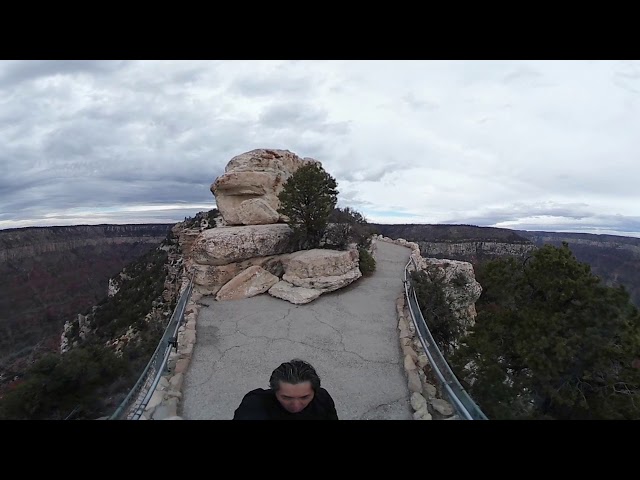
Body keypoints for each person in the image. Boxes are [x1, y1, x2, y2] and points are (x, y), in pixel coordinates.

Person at [232, 359, 339, 420]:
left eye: (304, 397)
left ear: (315, 392)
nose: (296, 406)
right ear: (274, 391)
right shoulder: (253, 406)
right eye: (286, 397)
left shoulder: (322, 399)